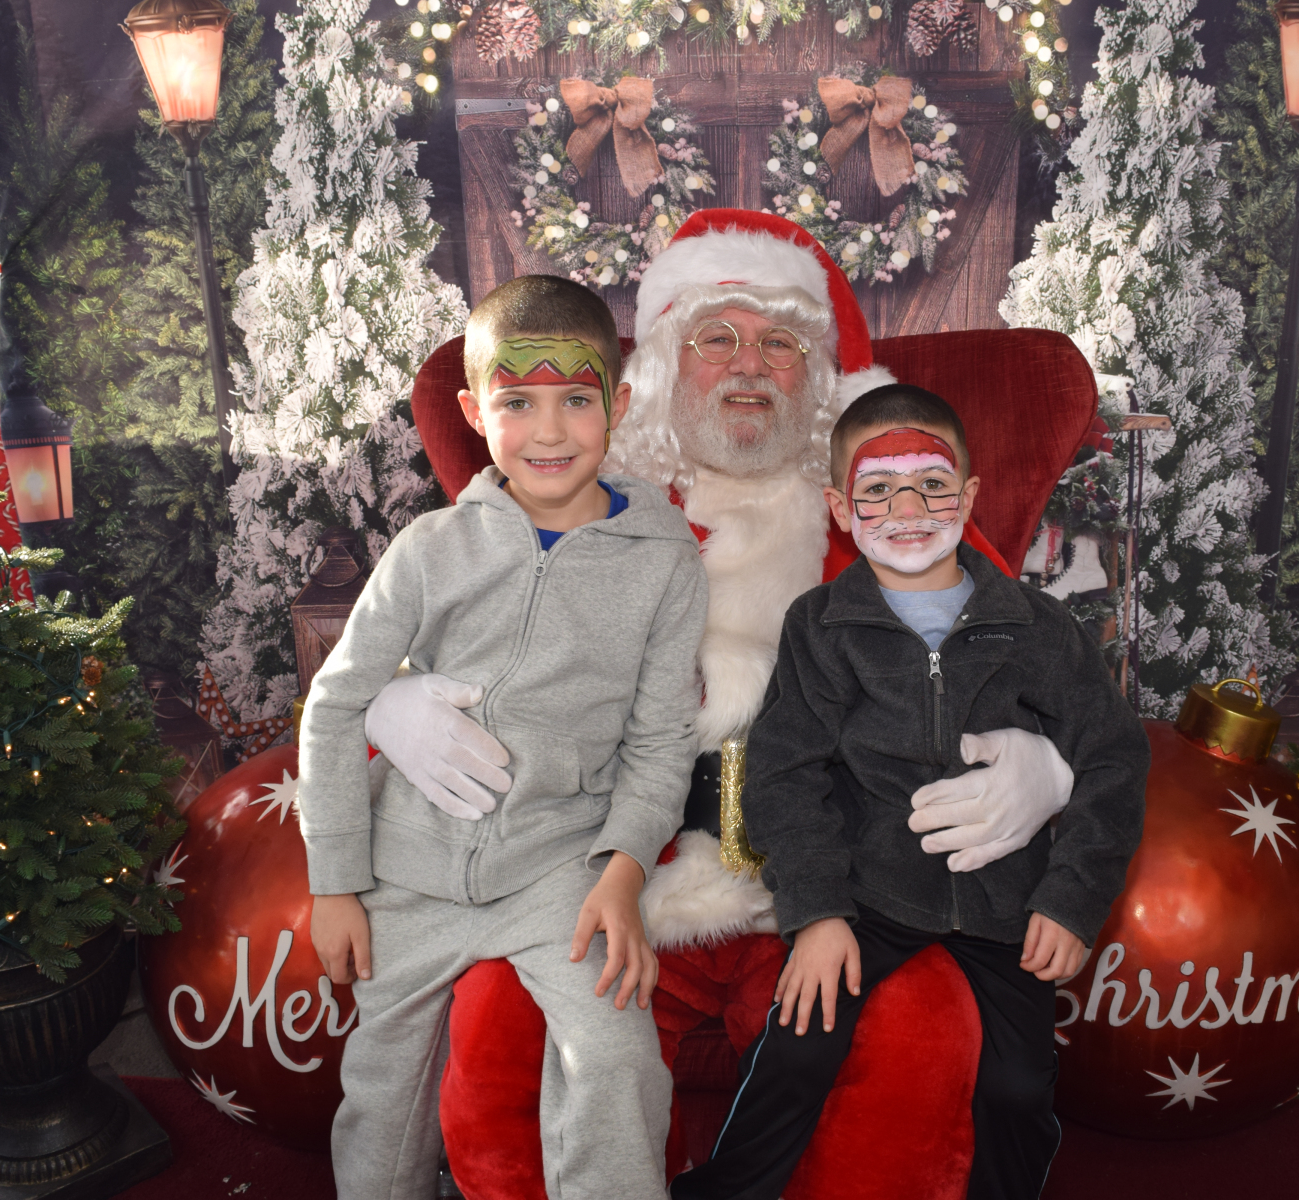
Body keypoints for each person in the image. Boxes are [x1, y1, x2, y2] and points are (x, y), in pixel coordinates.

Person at [367, 211, 1084, 1194]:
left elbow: (1029, 657)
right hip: (604, 882)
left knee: (918, 1033)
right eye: (718, 337)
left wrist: (1046, 763)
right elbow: (439, 619)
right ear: (664, 364)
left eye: (781, 341)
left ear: (822, 377)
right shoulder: (574, 498)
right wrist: (393, 702)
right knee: (501, 1026)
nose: (750, 366)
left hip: (835, 894)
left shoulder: (887, 516)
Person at [672, 385, 1148, 1200]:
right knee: (798, 1048)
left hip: (1005, 906)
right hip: (868, 893)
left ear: (968, 494)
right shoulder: (822, 625)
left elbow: (1114, 757)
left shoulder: (1034, 626)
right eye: (879, 489)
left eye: (931, 484)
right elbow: (785, 773)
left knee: (1018, 1089)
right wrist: (817, 913)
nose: (908, 510)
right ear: (840, 508)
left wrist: (1071, 901)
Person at [297, 275, 707, 1200]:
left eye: (576, 400)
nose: (549, 431)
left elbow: (658, 743)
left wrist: (622, 872)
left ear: (619, 403)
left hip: (559, 871)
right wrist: (336, 881)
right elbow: (335, 704)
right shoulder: (431, 548)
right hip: (407, 871)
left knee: (617, 1060)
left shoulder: (666, 563)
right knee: (381, 1097)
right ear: (475, 412)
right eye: (518, 402)